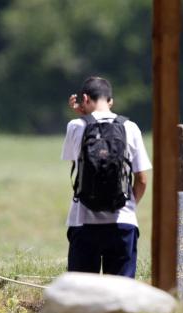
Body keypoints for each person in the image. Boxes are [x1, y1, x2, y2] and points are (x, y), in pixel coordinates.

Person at [61, 76, 152, 278]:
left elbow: (77, 164)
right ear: (110, 101)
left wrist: (81, 116)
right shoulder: (130, 127)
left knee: (82, 293)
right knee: (121, 294)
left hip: (83, 222)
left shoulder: (75, 126)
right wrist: (126, 205)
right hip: (123, 222)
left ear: (84, 98)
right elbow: (142, 180)